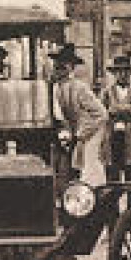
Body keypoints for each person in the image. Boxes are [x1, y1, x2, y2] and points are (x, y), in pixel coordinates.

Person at [51, 44, 107, 182]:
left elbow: (101, 113)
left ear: (71, 67)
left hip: (75, 141)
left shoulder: (79, 88)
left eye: (64, 63)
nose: (59, 66)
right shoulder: (50, 86)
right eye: (57, 63)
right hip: (55, 137)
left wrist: (80, 135)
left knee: (75, 177)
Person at [99, 55, 131, 181]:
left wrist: (116, 109)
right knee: (112, 182)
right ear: (114, 74)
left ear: (130, 73)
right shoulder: (106, 92)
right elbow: (102, 113)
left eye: (125, 71)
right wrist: (127, 109)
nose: (122, 74)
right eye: (119, 71)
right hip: (111, 140)